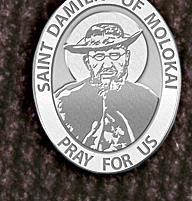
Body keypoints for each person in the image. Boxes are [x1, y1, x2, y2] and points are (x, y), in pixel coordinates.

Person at [54, 22, 158, 150]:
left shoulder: (148, 101)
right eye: (99, 56)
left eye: (115, 55)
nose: (108, 65)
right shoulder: (64, 101)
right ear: (87, 62)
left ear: (127, 58)